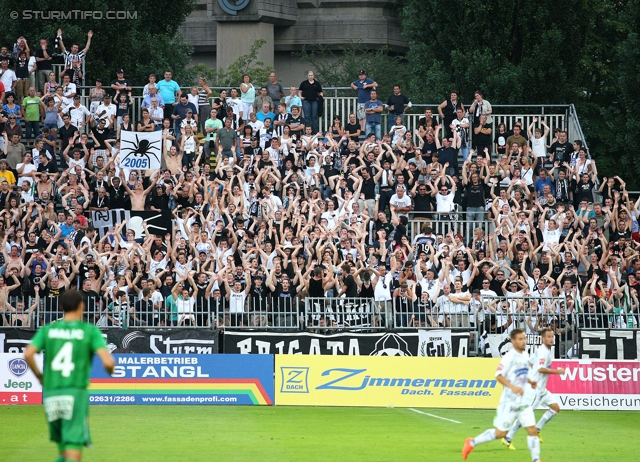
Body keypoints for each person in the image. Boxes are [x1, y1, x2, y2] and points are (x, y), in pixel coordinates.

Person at [23, 289, 115, 462]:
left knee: (62, 451)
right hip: (74, 393)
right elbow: (109, 362)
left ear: (61, 306)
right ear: (82, 305)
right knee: (73, 450)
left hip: (51, 394)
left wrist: (40, 377)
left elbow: (28, 354)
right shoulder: (88, 330)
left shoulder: (49, 330)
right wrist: (111, 371)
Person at [462, 329, 541, 462]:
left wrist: (530, 381)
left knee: (532, 429)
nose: (524, 341)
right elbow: (498, 375)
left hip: (522, 401)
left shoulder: (525, 355)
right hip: (509, 401)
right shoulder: (509, 357)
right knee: (501, 433)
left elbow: (521, 374)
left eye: (524, 338)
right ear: (513, 341)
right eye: (520, 339)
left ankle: (536, 460)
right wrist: (513, 387)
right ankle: (471, 442)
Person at [502, 327, 565, 450]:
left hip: (541, 389)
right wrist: (557, 372)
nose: (551, 339)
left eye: (552, 336)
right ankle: (508, 437)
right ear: (543, 339)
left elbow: (531, 363)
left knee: (555, 408)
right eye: (549, 336)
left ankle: (537, 429)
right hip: (535, 390)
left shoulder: (542, 350)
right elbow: (540, 369)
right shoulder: (544, 352)